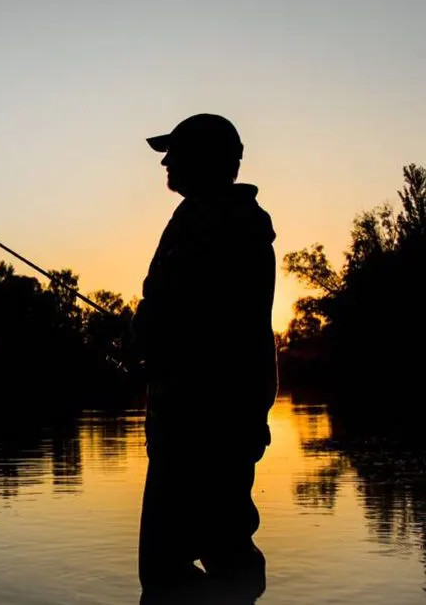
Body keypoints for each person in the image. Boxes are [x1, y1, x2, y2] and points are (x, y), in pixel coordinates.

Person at [133, 113, 278, 600]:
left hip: (207, 423)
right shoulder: (213, 220)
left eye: (176, 153)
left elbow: (196, 318)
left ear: (208, 160)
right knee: (210, 552)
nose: (167, 163)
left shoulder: (224, 226)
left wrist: (146, 326)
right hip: (193, 421)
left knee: (185, 560)